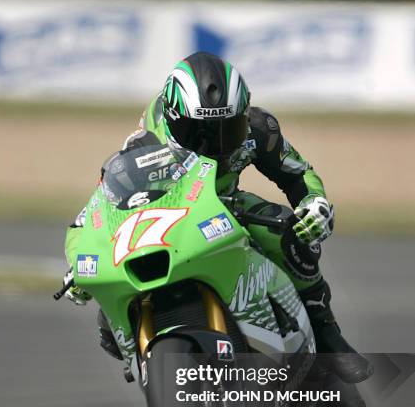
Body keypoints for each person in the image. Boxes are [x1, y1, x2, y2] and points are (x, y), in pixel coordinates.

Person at [63, 51, 372, 386]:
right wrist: (84, 261)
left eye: (227, 129)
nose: (216, 143)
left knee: (288, 233)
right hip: (172, 212)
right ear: (175, 119)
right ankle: (145, 350)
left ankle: (326, 332)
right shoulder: (146, 140)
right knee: (106, 323)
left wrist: (314, 204)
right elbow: (109, 201)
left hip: (225, 202)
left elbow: (297, 174)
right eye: (201, 133)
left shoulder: (257, 128)